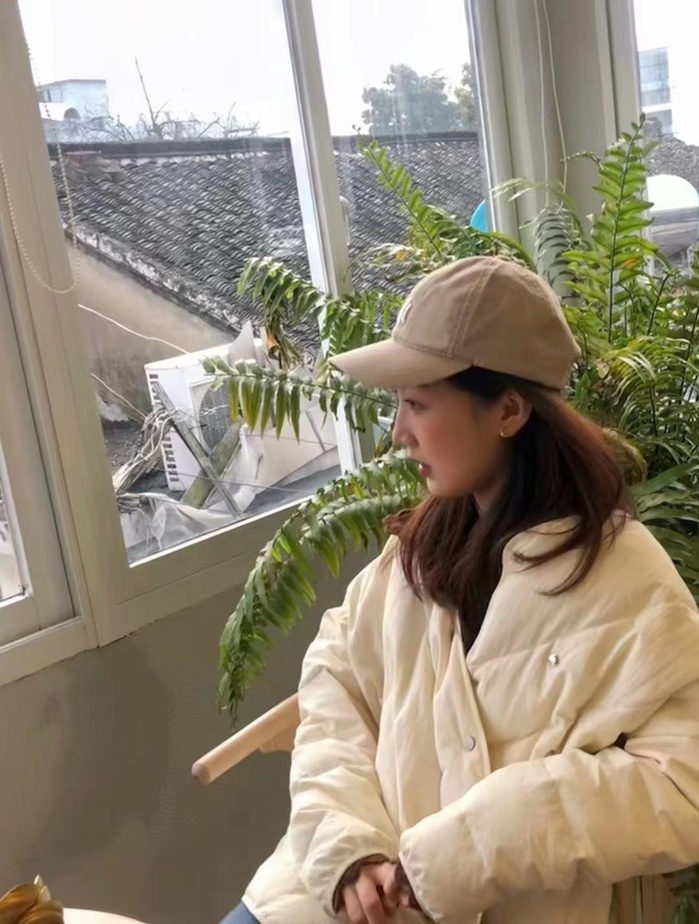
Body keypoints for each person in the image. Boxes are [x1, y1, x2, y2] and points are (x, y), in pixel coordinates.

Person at [222, 256, 699, 924]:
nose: (398, 432)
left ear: (508, 410)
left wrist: (477, 844)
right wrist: (347, 847)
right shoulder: (416, 550)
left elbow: (682, 786)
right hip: (326, 896)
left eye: (417, 403)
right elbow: (336, 687)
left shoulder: (625, 578)